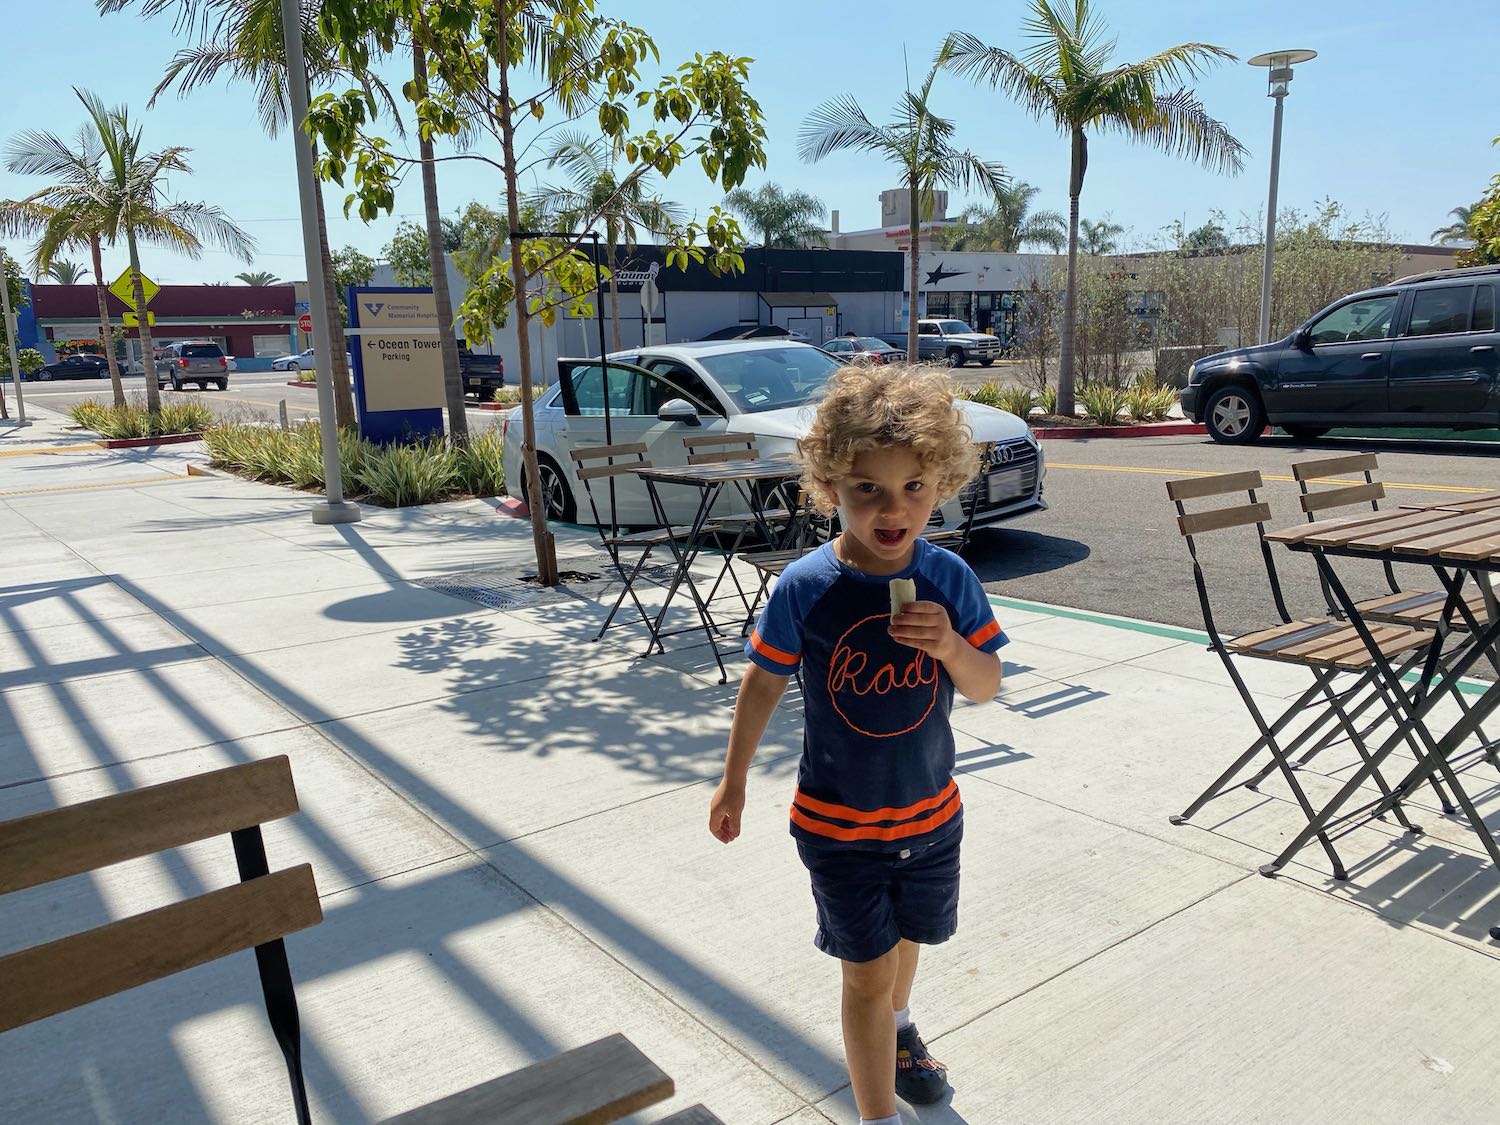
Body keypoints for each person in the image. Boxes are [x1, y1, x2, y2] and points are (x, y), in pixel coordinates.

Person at [709, 363, 1006, 1124]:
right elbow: (764, 683)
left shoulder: (950, 581)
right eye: (866, 487)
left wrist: (950, 647)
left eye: (913, 486)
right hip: (840, 827)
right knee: (867, 976)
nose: (891, 507)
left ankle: (900, 1033)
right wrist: (733, 779)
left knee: (911, 939)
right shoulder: (806, 588)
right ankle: (877, 1115)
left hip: (931, 818)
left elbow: (985, 684)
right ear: (829, 485)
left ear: (940, 483)